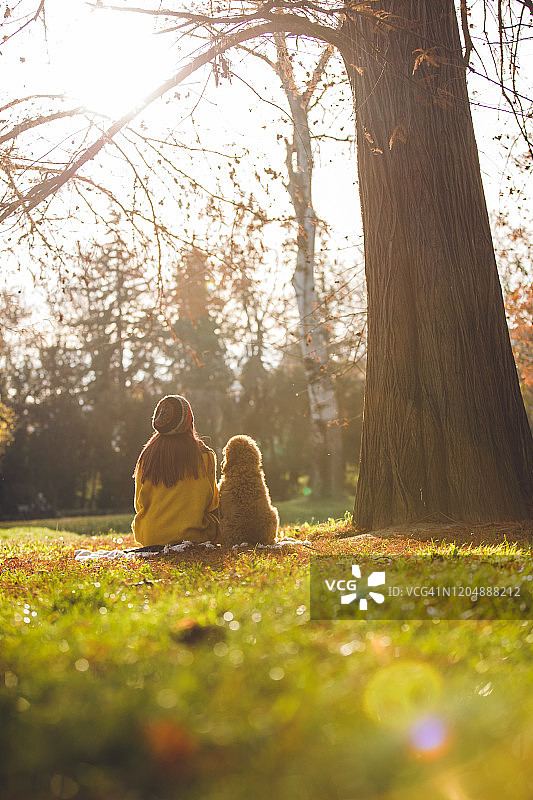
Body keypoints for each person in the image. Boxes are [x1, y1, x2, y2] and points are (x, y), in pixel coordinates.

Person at [131, 395, 219, 547]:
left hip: (150, 537)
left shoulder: (146, 457)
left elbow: (139, 504)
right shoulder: (205, 456)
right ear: (189, 422)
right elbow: (212, 504)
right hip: (194, 534)